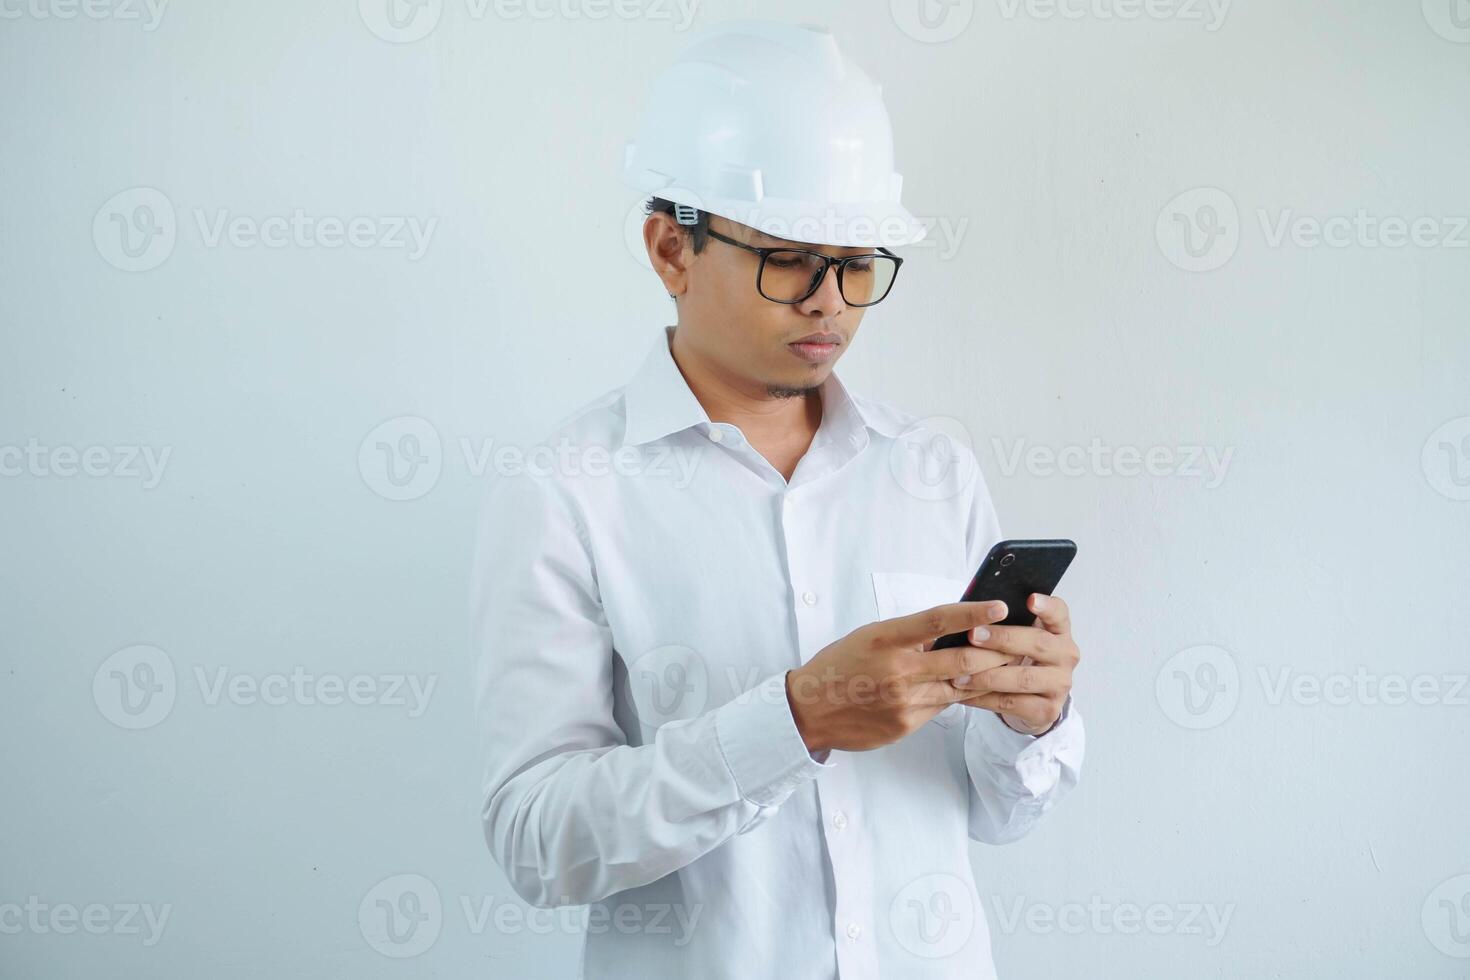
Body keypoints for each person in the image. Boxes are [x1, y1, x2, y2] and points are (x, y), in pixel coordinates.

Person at [471, 20, 1084, 979]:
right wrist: (795, 721)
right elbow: (537, 842)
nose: (831, 301)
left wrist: (1032, 722)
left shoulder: (930, 468)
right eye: (790, 257)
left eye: (857, 262)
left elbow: (1001, 812)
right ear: (672, 250)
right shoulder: (567, 493)